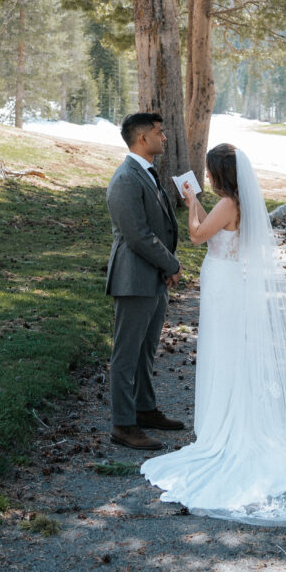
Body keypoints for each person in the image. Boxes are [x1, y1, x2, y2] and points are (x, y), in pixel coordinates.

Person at [141, 142, 286, 526]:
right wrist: (196, 202)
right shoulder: (236, 204)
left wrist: (191, 200)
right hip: (228, 282)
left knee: (223, 352)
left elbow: (197, 236)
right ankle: (226, 416)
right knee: (228, 351)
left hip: (224, 285)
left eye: (210, 172)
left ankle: (225, 426)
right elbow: (213, 232)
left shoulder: (228, 204)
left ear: (219, 174)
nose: (207, 177)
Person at [106, 112, 185, 450]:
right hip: (133, 276)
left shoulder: (148, 174)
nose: (164, 138)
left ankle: (144, 409)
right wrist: (171, 264)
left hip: (152, 275)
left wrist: (164, 268)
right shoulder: (125, 178)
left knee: (146, 350)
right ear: (141, 138)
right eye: (159, 132)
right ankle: (123, 425)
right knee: (126, 354)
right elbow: (137, 235)